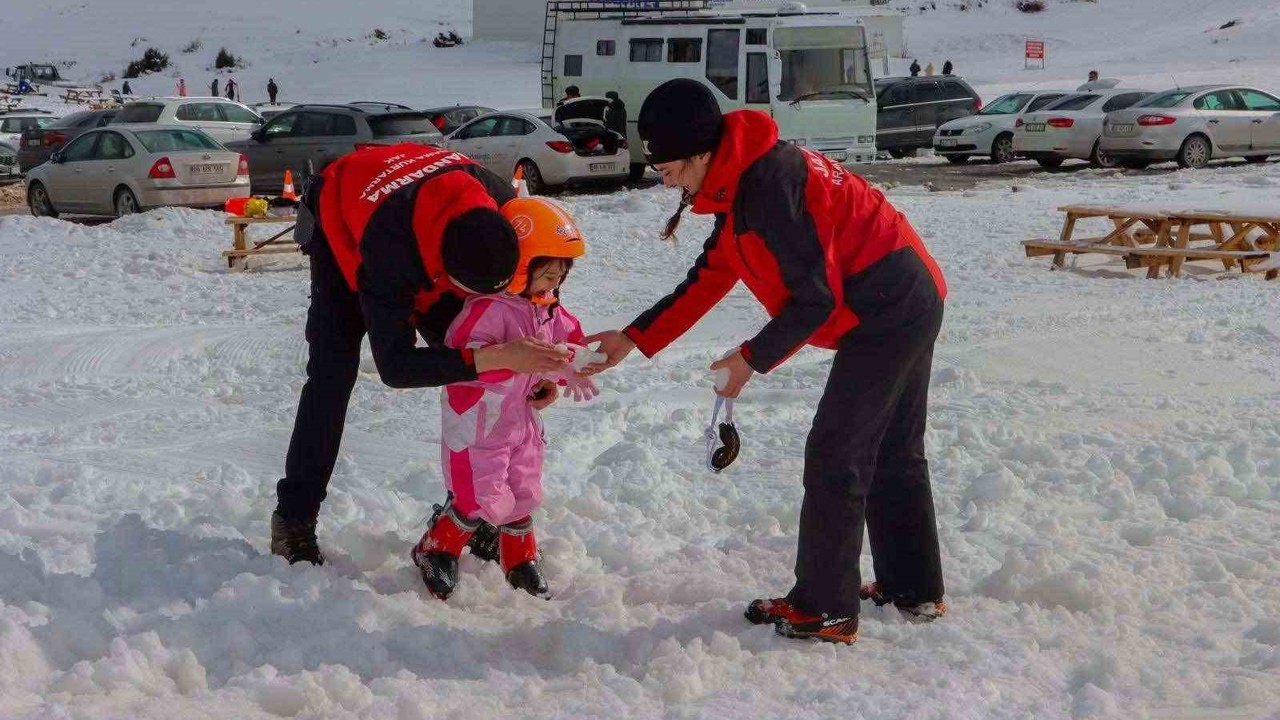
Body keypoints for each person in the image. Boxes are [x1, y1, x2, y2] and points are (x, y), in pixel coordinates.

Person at [583, 79, 948, 645]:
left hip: (888, 306)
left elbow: (815, 299)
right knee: (891, 450)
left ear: (700, 152)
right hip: (902, 293)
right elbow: (710, 276)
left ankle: (825, 609)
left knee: (837, 452)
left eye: (669, 168)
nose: (666, 180)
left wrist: (749, 360)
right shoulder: (739, 181)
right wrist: (632, 338)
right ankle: (913, 588)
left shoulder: (768, 187)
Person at [271, 143, 572, 566]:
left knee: (481, 360)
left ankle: (471, 505)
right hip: (347, 215)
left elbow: (532, 297)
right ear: (444, 274)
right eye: (471, 293)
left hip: (429, 211)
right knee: (332, 373)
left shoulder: (507, 208)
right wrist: (498, 355)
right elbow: (395, 367)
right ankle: (294, 518)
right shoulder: (388, 251)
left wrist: (535, 371)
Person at [412, 197, 597, 601]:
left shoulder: (546, 310)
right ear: (518, 268)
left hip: (521, 423)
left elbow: (567, 340)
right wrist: (510, 360)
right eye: (546, 274)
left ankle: (518, 557)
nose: (553, 285)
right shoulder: (486, 311)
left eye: (560, 276)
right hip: (478, 426)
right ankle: (437, 547)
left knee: (525, 489)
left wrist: (574, 364)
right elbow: (465, 360)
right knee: (479, 495)